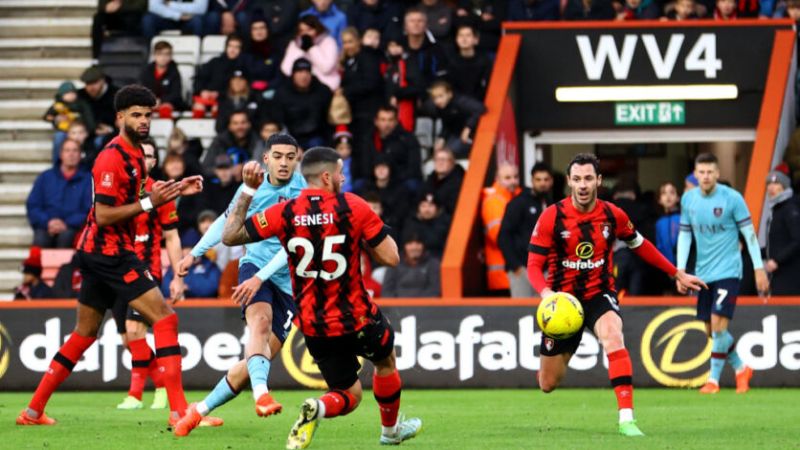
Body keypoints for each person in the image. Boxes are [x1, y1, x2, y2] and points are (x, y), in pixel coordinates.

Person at [15, 85, 205, 427]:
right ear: (120, 118)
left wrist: (175, 188)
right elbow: (104, 214)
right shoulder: (112, 156)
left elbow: (141, 193)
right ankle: (180, 413)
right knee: (166, 318)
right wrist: (151, 203)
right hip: (110, 252)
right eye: (136, 114)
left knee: (84, 333)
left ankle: (33, 411)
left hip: (94, 253)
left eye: (147, 115)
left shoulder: (134, 155)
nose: (144, 120)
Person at [220, 146, 422, 449]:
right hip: (357, 316)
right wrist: (367, 232)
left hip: (315, 325)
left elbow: (230, 236)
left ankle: (320, 406)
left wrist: (247, 190)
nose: (343, 177)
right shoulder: (353, 206)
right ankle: (390, 431)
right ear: (327, 176)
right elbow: (392, 257)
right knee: (385, 362)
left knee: (348, 394)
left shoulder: (283, 211)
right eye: (340, 172)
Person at [528, 153, 706, 437]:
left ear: (598, 180)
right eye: (577, 179)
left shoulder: (613, 215)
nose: (583, 185)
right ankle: (558, 362)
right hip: (562, 303)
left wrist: (677, 273)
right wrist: (546, 293)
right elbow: (534, 266)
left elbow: (641, 245)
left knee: (613, 334)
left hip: (599, 293)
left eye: (588, 178)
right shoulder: (552, 216)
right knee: (547, 383)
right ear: (569, 182)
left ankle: (626, 419)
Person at [173, 134, 307, 436]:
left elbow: (293, 249)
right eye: (278, 156)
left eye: (290, 156)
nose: (284, 162)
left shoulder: (304, 192)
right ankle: (262, 396)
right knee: (259, 323)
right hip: (255, 265)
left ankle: (199, 410)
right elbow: (226, 220)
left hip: (289, 281)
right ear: (266, 158)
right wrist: (194, 254)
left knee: (252, 363)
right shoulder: (252, 187)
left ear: (297, 158)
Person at [111, 138, 191, 414]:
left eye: (149, 156)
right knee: (128, 338)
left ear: (155, 162)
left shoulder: (160, 191)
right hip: (115, 271)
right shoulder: (118, 189)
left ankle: (136, 394)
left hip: (146, 271)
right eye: (139, 155)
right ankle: (159, 385)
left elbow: (171, 235)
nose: (144, 160)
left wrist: (177, 275)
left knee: (135, 331)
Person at [676, 152, 766, 394]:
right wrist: (680, 270)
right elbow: (685, 235)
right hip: (703, 273)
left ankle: (713, 380)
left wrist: (758, 268)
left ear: (717, 173)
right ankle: (741, 367)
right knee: (711, 331)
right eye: (701, 172)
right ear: (696, 174)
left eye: (709, 172)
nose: (705, 176)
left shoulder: (732, 199)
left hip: (729, 270)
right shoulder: (688, 200)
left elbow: (749, 234)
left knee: (717, 325)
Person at [498, 162, 554, 298]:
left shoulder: (552, 203)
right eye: (538, 179)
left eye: (546, 180)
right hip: (523, 268)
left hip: (546, 269)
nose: (542, 183)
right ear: (532, 180)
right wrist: (515, 265)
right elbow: (503, 236)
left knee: (546, 312)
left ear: (551, 181)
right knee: (521, 312)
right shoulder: (518, 203)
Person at [27, 139, 93, 248]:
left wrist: (67, 223)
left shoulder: (87, 179)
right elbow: (33, 205)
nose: (71, 154)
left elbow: (89, 209)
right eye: (67, 150)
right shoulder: (45, 177)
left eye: (75, 150)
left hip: (73, 228)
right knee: (40, 240)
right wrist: (48, 222)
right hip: (46, 226)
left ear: (80, 155)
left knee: (66, 238)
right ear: (61, 154)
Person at [273, 58, 333, 149]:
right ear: (293, 74)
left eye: (307, 72)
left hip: (317, 137)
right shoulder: (282, 93)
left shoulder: (323, 91)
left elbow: (329, 119)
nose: (304, 76)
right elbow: (278, 122)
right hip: (290, 137)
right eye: (300, 72)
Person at [481, 164, 521, 293]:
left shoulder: (517, 198)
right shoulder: (493, 202)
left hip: (517, 273)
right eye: (507, 178)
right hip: (502, 276)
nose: (513, 181)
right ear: (497, 179)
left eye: (515, 177)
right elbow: (499, 237)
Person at [365, 105, 423, 192]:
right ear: (376, 121)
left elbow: (414, 167)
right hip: (375, 180)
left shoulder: (408, 139)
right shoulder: (369, 139)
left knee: (412, 184)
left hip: (400, 181)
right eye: (383, 120)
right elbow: (365, 165)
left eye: (390, 120)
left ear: (396, 121)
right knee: (359, 184)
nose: (387, 124)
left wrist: (391, 179)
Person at [424, 80, 487, 158]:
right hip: (457, 134)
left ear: (450, 94)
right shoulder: (440, 107)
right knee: (441, 152)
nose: (438, 101)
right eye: (434, 98)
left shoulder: (460, 101)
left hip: (474, 133)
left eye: (440, 96)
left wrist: (468, 127)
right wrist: (442, 138)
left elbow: (480, 108)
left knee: (451, 151)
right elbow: (447, 125)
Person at [280, 15, 341, 91]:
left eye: (309, 30)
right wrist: (301, 49)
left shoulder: (329, 42)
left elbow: (326, 68)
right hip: (300, 87)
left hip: (326, 86)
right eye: (302, 31)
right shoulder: (295, 43)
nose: (305, 34)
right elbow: (286, 68)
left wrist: (312, 48)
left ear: (317, 29)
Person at [763, 170, 800, 295]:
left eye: (776, 183)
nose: (771, 187)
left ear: (784, 186)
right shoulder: (776, 211)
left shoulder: (790, 209)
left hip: (790, 275)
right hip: (778, 274)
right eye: (769, 184)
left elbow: (797, 240)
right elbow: (776, 243)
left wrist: (777, 260)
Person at [193, 35, 245, 118]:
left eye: (236, 47)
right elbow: (199, 78)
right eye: (230, 46)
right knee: (198, 107)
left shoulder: (243, 66)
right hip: (207, 97)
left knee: (218, 109)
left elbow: (240, 89)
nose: (232, 50)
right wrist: (202, 91)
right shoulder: (214, 62)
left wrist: (219, 94)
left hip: (226, 99)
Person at [45, 81, 96, 162]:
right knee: (59, 137)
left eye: (73, 93)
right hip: (65, 131)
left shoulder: (82, 104)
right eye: (68, 93)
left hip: (81, 130)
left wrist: (87, 131)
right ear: (62, 95)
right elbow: (47, 116)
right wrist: (56, 119)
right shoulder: (58, 105)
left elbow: (89, 119)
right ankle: (57, 164)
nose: (71, 96)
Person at [202, 110, 259, 177]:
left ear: (249, 124)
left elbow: (262, 164)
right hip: (224, 183)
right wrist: (226, 172)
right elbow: (205, 168)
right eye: (235, 123)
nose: (239, 126)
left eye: (243, 122)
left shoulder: (256, 140)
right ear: (229, 126)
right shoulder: (219, 141)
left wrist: (244, 167)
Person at [382, 233, 441, 297]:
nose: (414, 247)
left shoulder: (433, 264)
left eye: (418, 243)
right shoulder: (394, 263)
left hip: (425, 305)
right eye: (410, 244)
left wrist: (418, 304)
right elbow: (387, 291)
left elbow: (435, 290)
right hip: (397, 305)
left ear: (423, 246)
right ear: (404, 246)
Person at [442, 24, 492, 100]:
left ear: (476, 40)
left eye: (468, 35)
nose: (464, 39)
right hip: (456, 102)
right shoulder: (450, 61)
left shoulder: (484, 61)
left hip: (480, 101)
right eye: (460, 35)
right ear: (456, 39)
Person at [138, 40, 188, 117]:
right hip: (150, 103)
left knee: (166, 108)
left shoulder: (174, 71)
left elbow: (176, 94)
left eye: (167, 54)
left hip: (169, 104)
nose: (163, 57)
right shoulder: (147, 70)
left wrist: (161, 101)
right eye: (160, 54)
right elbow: (142, 90)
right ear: (154, 55)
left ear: (171, 56)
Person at [78, 66, 119, 151]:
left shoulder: (117, 95)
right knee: (61, 136)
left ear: (103, 80)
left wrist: (110, 129)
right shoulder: (81, 95)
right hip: (86, 131)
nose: (91, 87)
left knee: (100, 141)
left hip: (110, 134)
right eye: (87, 84)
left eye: (94, 83)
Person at [403, 192, 451, 258]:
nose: (427, 210)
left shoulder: (446, 223)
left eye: (430, 206)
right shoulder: (411, 222)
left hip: (438, 258)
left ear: (438, 209)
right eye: (423, 206)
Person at [424, 147, 465, 216]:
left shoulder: (459, 182)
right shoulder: (430, 179)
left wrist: (435, 211)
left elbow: (452, 208)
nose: (440, 163)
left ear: (452, 162)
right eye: (437, 160)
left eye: (443, 160)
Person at [141, 0, 206, 40]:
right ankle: (153, 52)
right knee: (148, 19)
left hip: (189, 19)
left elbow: (200, 9)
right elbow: (154, 6)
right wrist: (178, 16)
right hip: (166, 19)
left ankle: (195, 50)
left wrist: (171, 4)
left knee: (197, 21)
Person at [655, 181, 681, 265]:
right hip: (667, 268)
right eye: (664, 193)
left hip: (685, 266)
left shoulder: (683, 218)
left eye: (672, 192)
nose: (668, 196)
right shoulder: (659, 223)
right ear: (659, 200)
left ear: (678, 198)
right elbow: (659, 247)